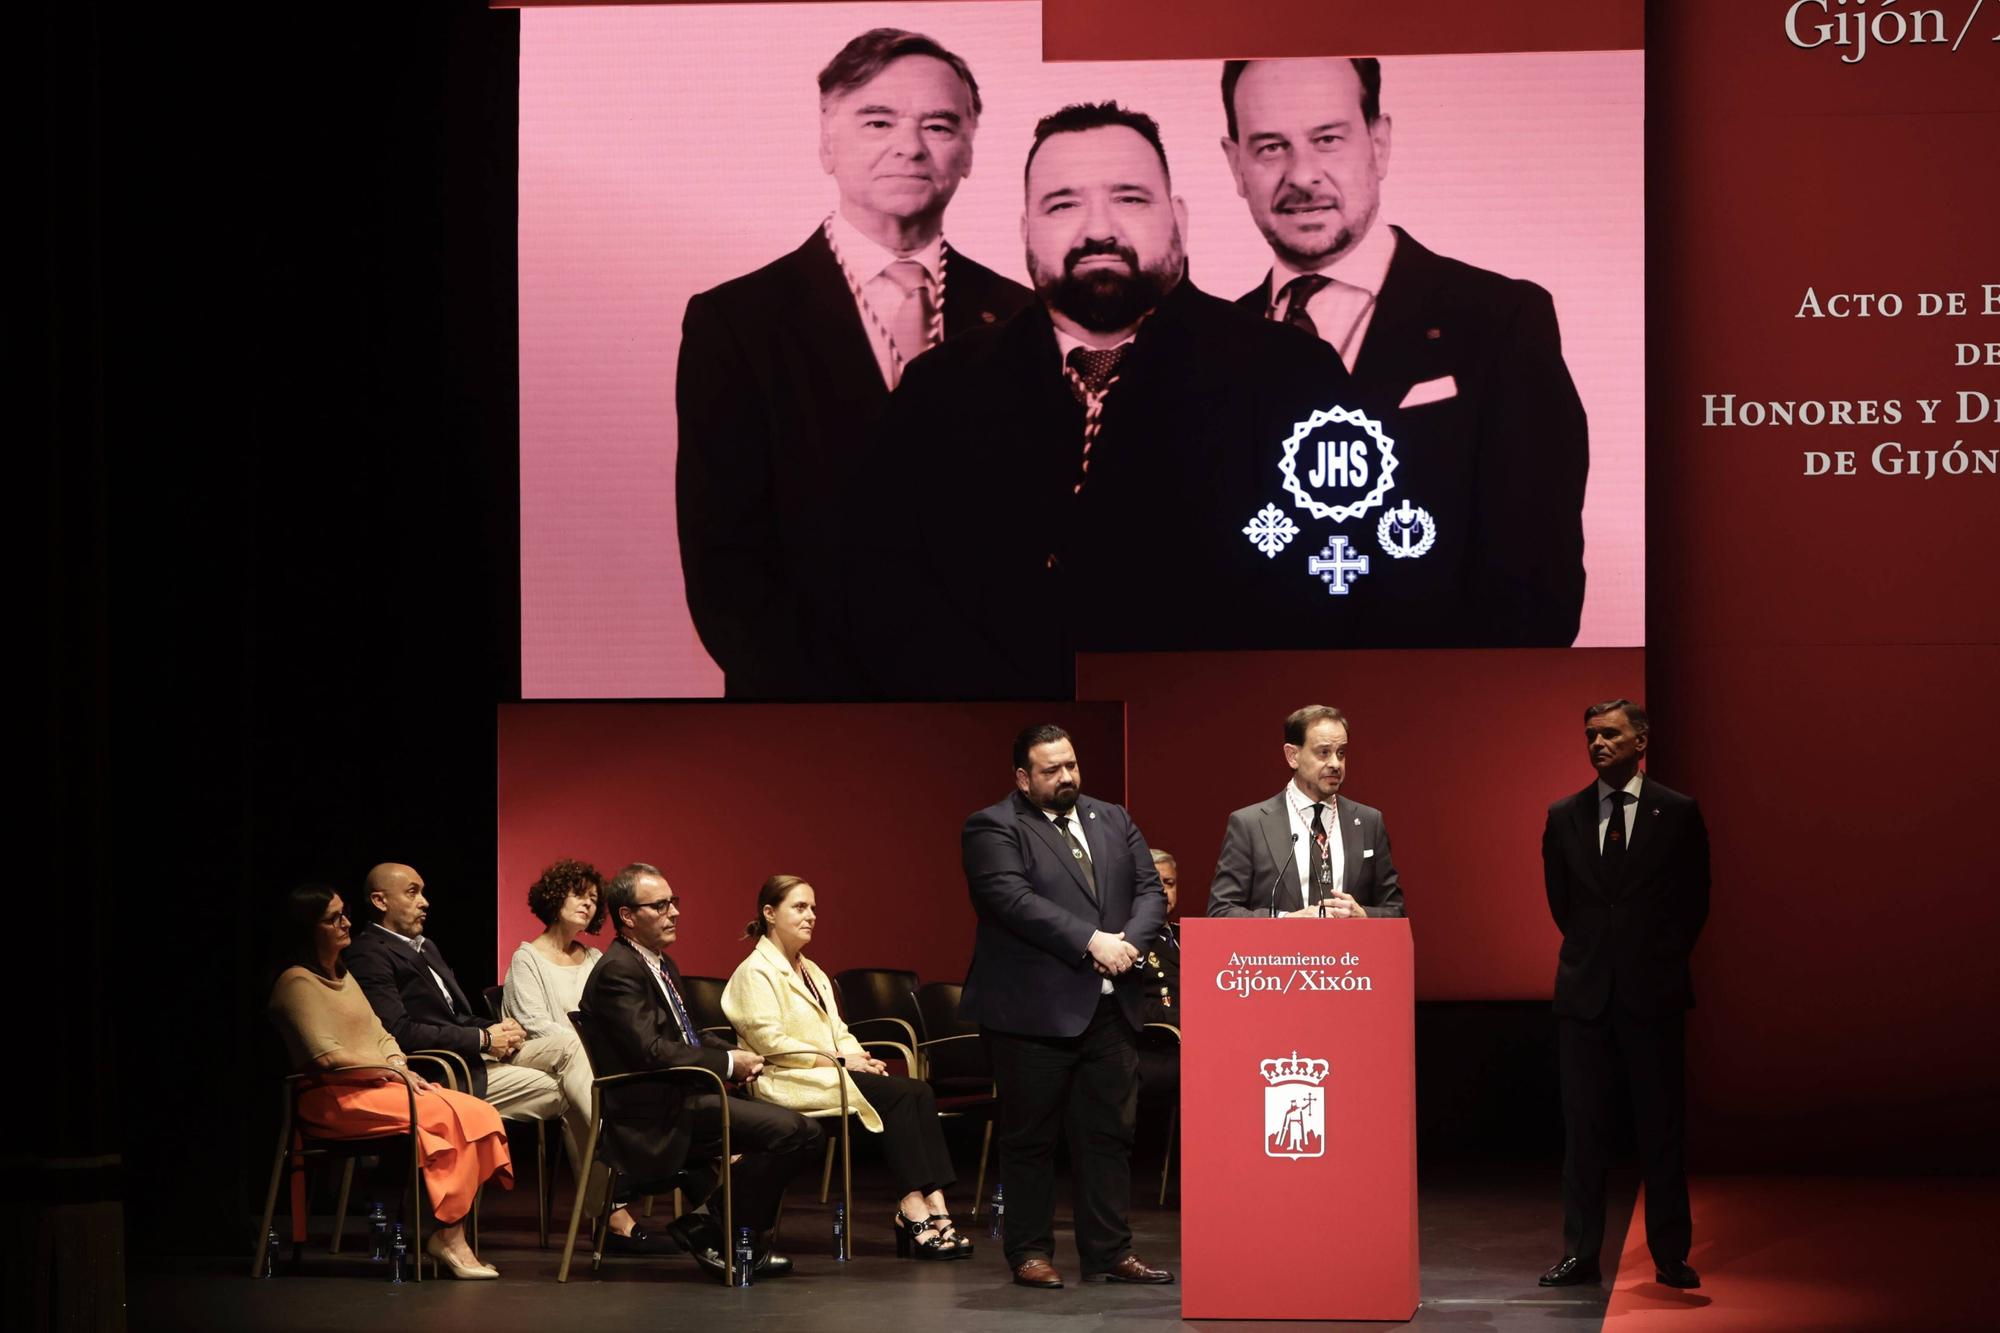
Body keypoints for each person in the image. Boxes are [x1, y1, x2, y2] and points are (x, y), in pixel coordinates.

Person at [866, 101, 1354, 699]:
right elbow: (884, 601)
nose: (1098, 228)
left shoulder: (1292, 377)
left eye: (1129, 197)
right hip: (979, 754)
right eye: (1063, 203)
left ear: (1177, 217)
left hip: (1213, 745)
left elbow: (1335, 594)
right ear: (1025, 230)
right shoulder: (936, 390)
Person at [675, 27, 1033, 698]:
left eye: (940, 124)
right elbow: (726, 568)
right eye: (878, 120)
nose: (910, 145)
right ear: (826, 140)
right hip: (807, 723)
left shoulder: (1024, 318)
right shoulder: (737, 322)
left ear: (968, 153)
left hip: (990, 711)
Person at [1220, 57, 1589, 648]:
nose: (1302, 175)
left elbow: (1536, 589)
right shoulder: (1207, 347)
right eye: (1270, 147)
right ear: (1235, 164)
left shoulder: (1499, 322)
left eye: (1327, 140)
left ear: (1379, 143)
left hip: (1439, 717)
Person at [960, 724, 1172, 1289]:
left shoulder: (1114, 818)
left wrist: (1127, 945)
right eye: (1052, 770)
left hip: (1109, 1009)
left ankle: (1109, 1251)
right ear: (1023, 778)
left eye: (1071, 765)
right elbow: (1012, 899)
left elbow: (1151, 889)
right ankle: (1028, 1252)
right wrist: (1091, 941)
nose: (1067, 777)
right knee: (1030, 1140)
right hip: (1032, 1013)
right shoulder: (993, 826)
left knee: (1108, 1135)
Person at [576, 862, 822, 1281]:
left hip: (681, 1097)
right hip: (652, 1112)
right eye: (659, 905)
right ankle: (715, 1228)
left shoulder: (659, 964)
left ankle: (715, 1227)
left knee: (805, 1129)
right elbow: (652, 1051)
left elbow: (688, 1036)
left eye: (674, 902)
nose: (674, 912)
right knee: (794, 1133)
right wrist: (727, 1064)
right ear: (628, 917)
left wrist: (735, 1055)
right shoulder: (620, 970)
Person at [1539, 700, 1708, 1291]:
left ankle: (1669, 1254)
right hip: (1584, 996)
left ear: (1641, 740)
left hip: (1652, 993)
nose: (1597, 743)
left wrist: (1650, 959)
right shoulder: (1565, 816)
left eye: (1609, 733)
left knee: (1660, 1129)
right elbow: (1564, 906)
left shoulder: (1678, 812)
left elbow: (1693, 904)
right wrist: (1598, 956)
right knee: (1582, 1132)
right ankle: (1580, 1254)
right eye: (1590, 735)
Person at [344, 863, 605, 1234]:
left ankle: (605, 1205)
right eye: (412, 892)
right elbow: (398, 1031)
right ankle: (614, 1183)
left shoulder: (426, 947)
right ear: (379, 900)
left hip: (472, 1058)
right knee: (569, 1068)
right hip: (438, 1074)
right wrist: (482, 1039)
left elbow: (454, 1017)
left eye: (423, 892)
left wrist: (494, 1027)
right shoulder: (369, 953)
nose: (425, 902)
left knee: (569, 1081)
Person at [722, 874, 971, 1260]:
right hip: (786, 1079)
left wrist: (862, 1060)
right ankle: (914, 1208)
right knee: (905, 1096)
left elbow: (838, 1031)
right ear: (769, 913)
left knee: (918, 1090)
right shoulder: (754, 972)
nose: (811, 916)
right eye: (800, 907)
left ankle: (935, 1206)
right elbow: (772, 1044)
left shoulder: (812, 970)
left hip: (827, 1072)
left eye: (814, 908)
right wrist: (842, 1060)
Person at [266, 885, 510, 1279]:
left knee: (476, 1110)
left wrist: (398, 1062)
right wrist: (391, 1070)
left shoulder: (343, 976)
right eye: (333, 918)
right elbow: (326, 1055)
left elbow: (381, 1033)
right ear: (308, 929)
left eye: (345, 913)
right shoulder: (296, 983)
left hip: (378, 1087)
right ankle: (449, 1237)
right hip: (332, 1099)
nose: (346, 922)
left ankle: (448, 1231)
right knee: (445, 1116)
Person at [500, 858, 661, 1254]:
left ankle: (610, 1216)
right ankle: (627, 1156)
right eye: (578, 895)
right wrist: (595, 1049)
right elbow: (534, 1026)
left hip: (583, 1068)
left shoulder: (592, 959)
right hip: (536, 1056)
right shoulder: (527, 959)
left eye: (593, 899)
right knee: (581, 1068)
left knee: (579, 1092)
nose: (588, 904)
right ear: (554, 899)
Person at [1206, 705, 1406, 918]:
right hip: (1277, 951)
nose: (1335, 764)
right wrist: (1285, 921)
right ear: (1292, 756)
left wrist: (1363, 915)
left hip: (1351, 952)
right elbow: (1222, 912)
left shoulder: (1368, 822)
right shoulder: (1250, 824)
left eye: (1341, 753)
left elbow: (1395, 911)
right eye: (1323, 752)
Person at [1136, 850, 1181, 1024]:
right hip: (1158, 1042)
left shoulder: (1188, 936)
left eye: (1169, 883)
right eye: (1155, 883)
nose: (1163, 891)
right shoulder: (1125, 939)